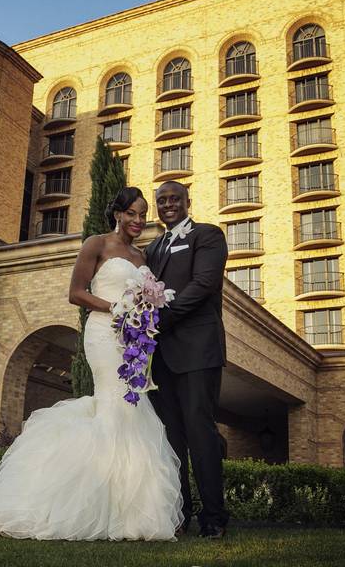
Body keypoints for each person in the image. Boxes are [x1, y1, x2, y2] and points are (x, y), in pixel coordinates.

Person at [0, 187, 183, 541]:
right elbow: (76, 293)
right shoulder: (97, 244)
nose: (139, 221)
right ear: (118, 214)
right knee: (114, 406)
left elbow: (147, 297)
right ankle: (87, 507)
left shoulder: (143, 258)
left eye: (143, 215)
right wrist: (117, 309)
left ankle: (130, 513)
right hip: (103, 334)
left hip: (133, 342)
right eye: (133, 214)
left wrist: (143, 313)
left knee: (133, 408)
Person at [144, 180, 229, 539]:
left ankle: (214, 517)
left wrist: (160, 318)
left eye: (174, 198)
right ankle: (180, 513)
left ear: (187, 201)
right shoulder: (150, 247)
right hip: (161, 356)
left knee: (200, 433)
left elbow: (204, 284)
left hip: (198, 350)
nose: (167, 204)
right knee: (171, 439)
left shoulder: (207, 235)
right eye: (161, 201)